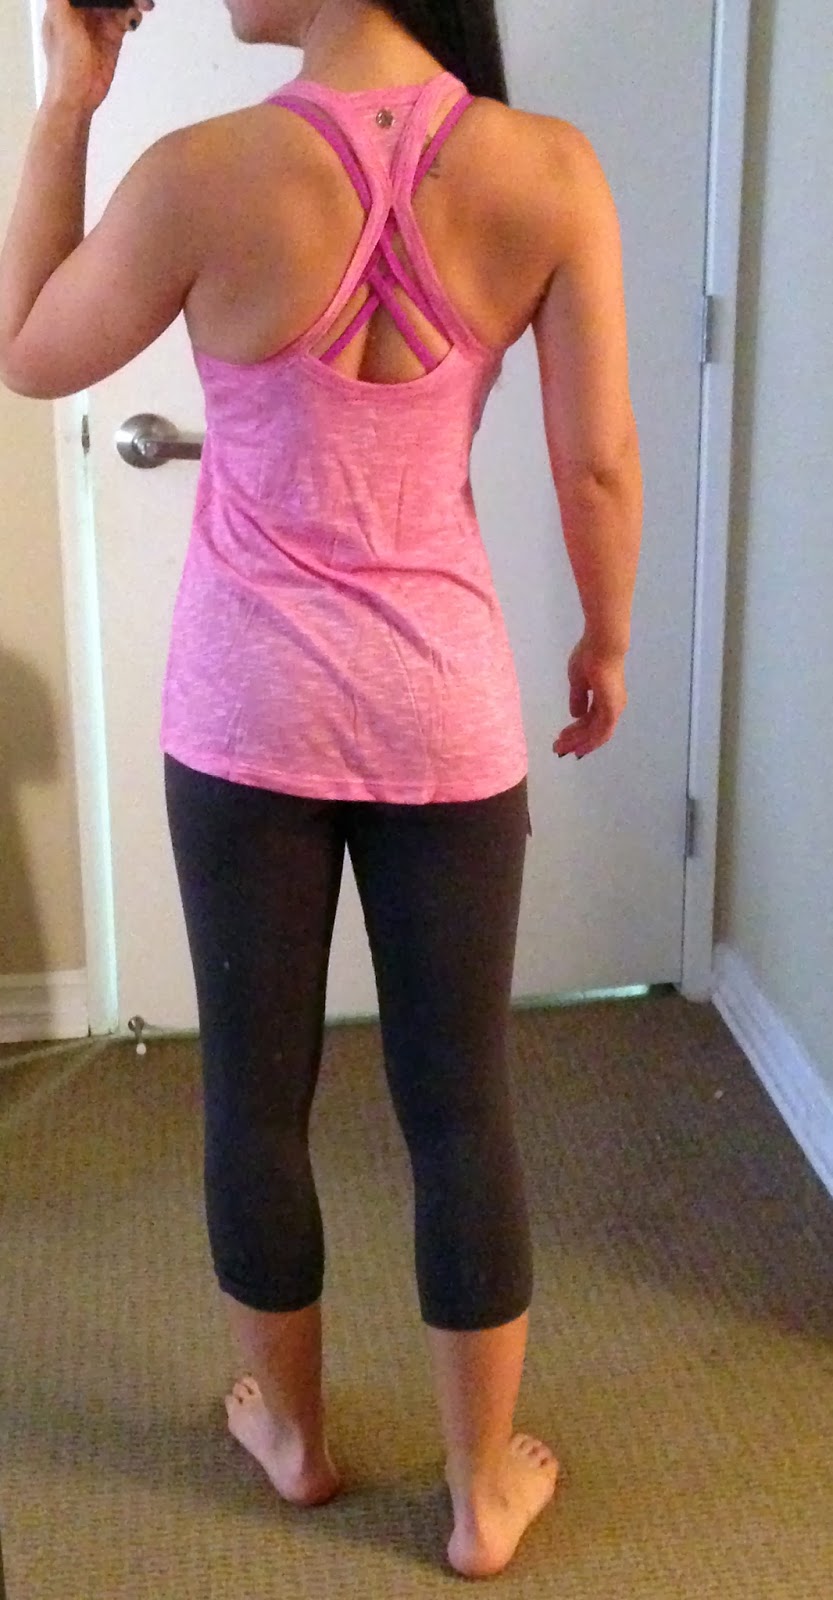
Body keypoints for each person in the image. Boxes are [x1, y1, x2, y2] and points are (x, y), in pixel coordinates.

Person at [0, 0, 643, 1579]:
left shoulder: (198, 173)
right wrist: (605, 637)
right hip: (443, 715)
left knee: (254, 1097)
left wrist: (69, 100)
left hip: (245, 717)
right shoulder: (547, 171)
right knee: (460, 1106)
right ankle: (478, 1498)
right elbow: (595, 462)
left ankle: (290, 1440)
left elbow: (27, 351)